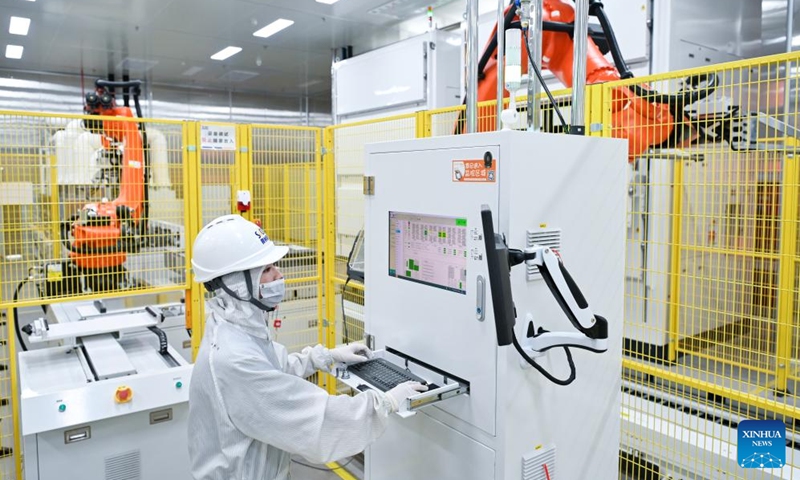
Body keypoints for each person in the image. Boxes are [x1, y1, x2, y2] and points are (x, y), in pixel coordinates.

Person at [187, 214, 427, 480]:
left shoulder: (235, 328)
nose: (280, 275)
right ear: (234, 284)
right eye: (266, 270)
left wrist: (324, 357)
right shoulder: (233, 358)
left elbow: (272, 372)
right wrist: (385, 402)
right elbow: (318, 419)